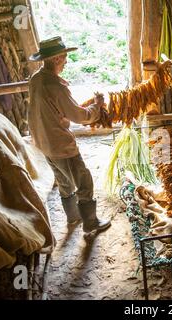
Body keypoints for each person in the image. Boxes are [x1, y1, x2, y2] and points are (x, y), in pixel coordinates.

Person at [28, 36, 111, 236]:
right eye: (64, 57)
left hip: (43, 142)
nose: (66, 61)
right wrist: (97, 105)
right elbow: (80, 116)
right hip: (60, 144)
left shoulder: (36, 78)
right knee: (83, 181)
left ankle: (73, 216)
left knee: (63, 180)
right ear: (56, 58)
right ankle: (90, 223)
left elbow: (50, 109)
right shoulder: (56, 86)